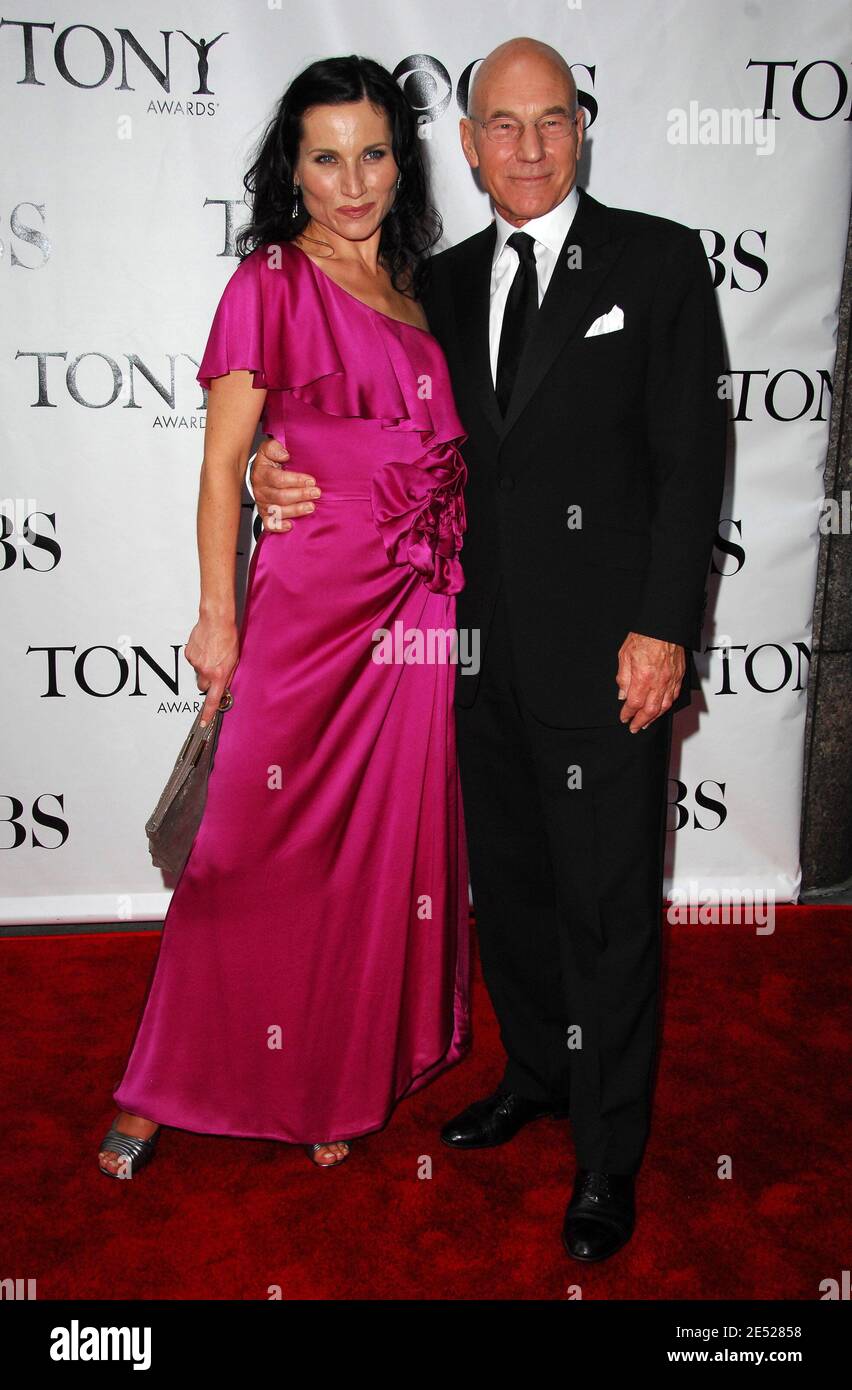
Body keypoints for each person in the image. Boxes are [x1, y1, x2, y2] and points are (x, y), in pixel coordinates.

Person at [249, 37, 727, 1257]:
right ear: (464, 145)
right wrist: (271, 468)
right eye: (502, 127)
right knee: (511, 890)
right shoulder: (439, 287)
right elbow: (358, 431)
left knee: (609, 908)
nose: (528, 147)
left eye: (551, 121)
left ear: (582, 126)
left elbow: (693, 464)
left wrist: (667, 626)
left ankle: (608, 1157)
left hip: (613, 660)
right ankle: (539, 1072)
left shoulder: (661, 263)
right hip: (460, 656)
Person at [98, 54, 472, 1177]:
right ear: (291, 170)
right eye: (325, 157)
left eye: (371, 153)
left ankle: (326, 1073)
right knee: (244, 848)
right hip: (309, 606)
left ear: (400, 162)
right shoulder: (272, 280)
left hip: (418, 607)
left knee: (367, 858)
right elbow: (222, 467)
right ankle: (162, 1083)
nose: (351, 180)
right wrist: (218, 616)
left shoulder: (423, 292)